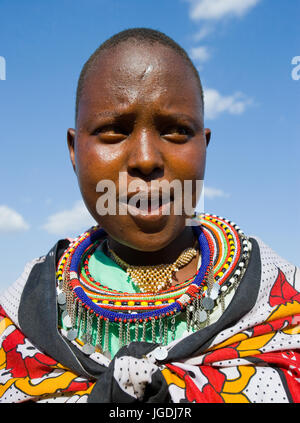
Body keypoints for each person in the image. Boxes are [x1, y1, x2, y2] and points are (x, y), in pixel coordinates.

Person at [0, 28, 299, 404]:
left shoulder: (276, 298)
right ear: (75, 151)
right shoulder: (25, 312)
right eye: (113, 132)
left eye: (176, 131)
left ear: (203, 147)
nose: (145, 159)